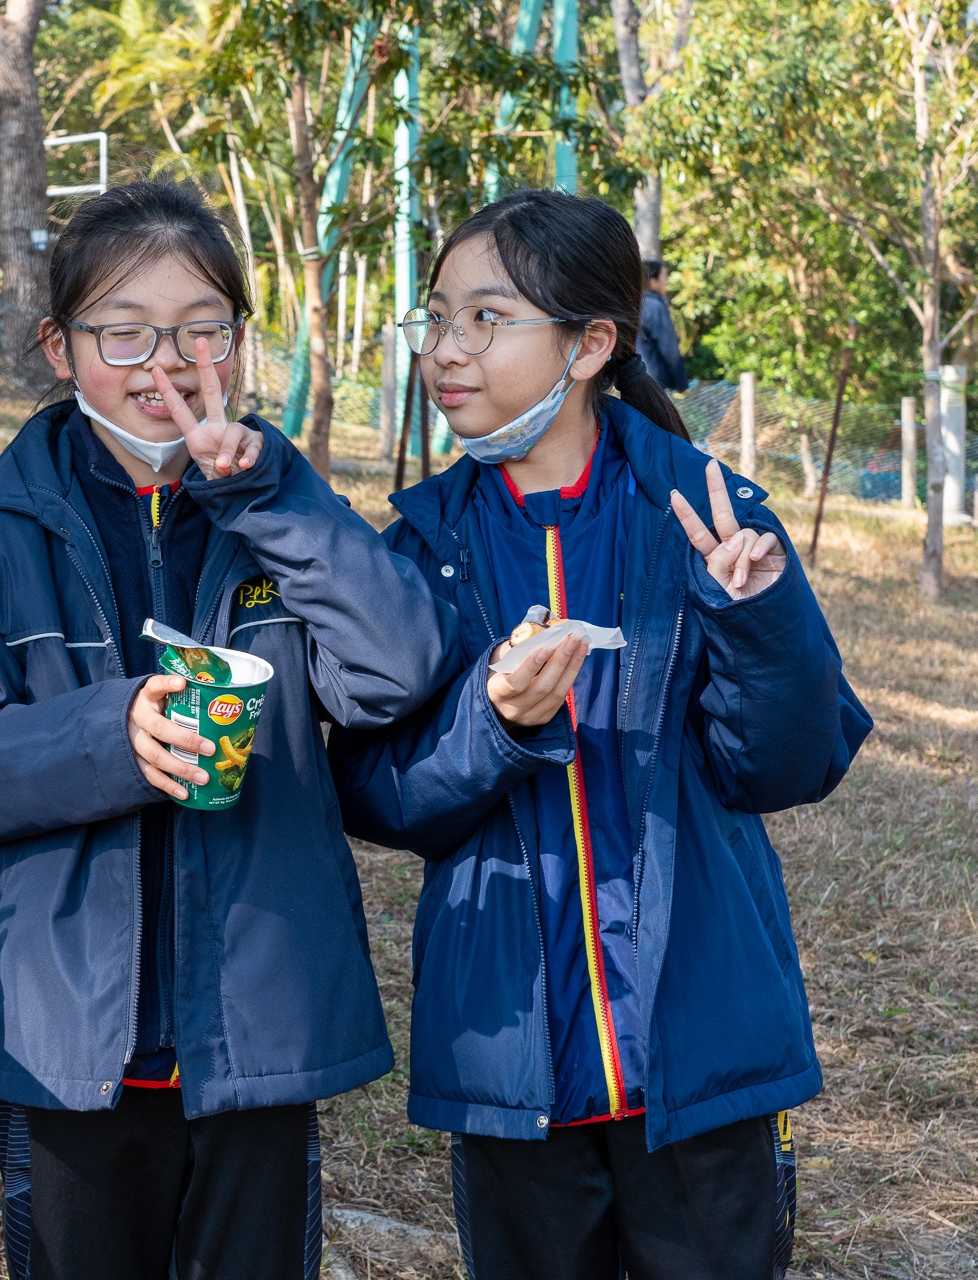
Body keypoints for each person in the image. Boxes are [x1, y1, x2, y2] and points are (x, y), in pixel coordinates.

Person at [0, 181, 457, 1280]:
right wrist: (110, 738)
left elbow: (400, 665)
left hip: (258, 1027)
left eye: (202, 330)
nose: (168, 366)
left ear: (237, 342)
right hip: (62, 1039)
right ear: (60, 348)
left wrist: (268, 498)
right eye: (125, 334)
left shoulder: (280, 520)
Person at [330, 190, 872, 1280]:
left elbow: (786, 764)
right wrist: (492, 723)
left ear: (588, 346)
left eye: (487, 319)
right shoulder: (416, 553)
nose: (446, 349)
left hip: (701, 1048)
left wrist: (755, 617)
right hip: (508, 1050)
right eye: (437, 317)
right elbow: (377, 795)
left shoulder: (708, 516)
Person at [636, 258, 690, 392]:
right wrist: (682, 385)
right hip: (655, 383)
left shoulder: (631, 303)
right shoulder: (655, 306)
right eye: (665, 276)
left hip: (631, 380)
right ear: (653, 282)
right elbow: (668, 349)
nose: (667, 281)